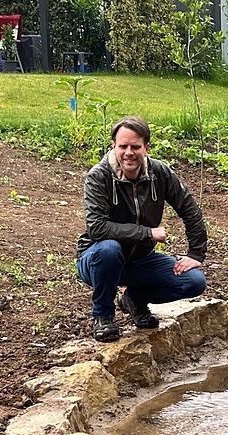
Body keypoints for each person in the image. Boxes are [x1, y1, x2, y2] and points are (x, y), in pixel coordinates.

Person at [76, 116, 207, 342]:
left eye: (135, 146)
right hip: (97, 260)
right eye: (122, 146)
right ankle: (103, 317)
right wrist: (148, 233)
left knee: (194, 281)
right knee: (109, 249)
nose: (129, 152)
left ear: (146, 147)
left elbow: (190, 210)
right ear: (113, 146)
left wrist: (196, 253)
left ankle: (134, 300)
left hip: (140, 260)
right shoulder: (99, 176)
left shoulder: (160, 173)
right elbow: (97, 227)